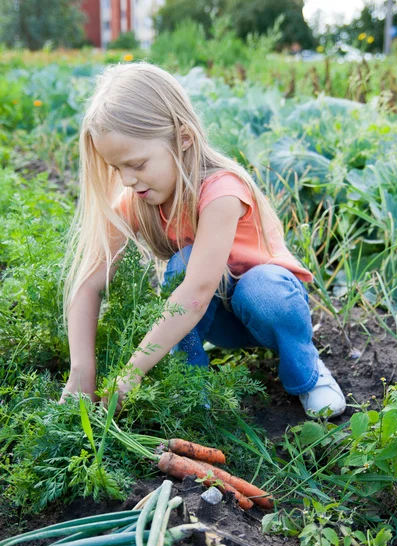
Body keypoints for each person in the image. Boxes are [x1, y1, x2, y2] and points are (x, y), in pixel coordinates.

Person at [60, 61, 346, 418]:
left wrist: (129, 377)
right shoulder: (136, 200)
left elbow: (195, 294)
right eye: (117, 169)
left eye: (137, 164)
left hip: (271, 307)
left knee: (256, 286)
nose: (128, 180)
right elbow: (88, 284)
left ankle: (307, 372)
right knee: (182, 264)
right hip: (218, 321)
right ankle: (193, 393)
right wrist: (82, 372)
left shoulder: (222, 191)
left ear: (183, 139)